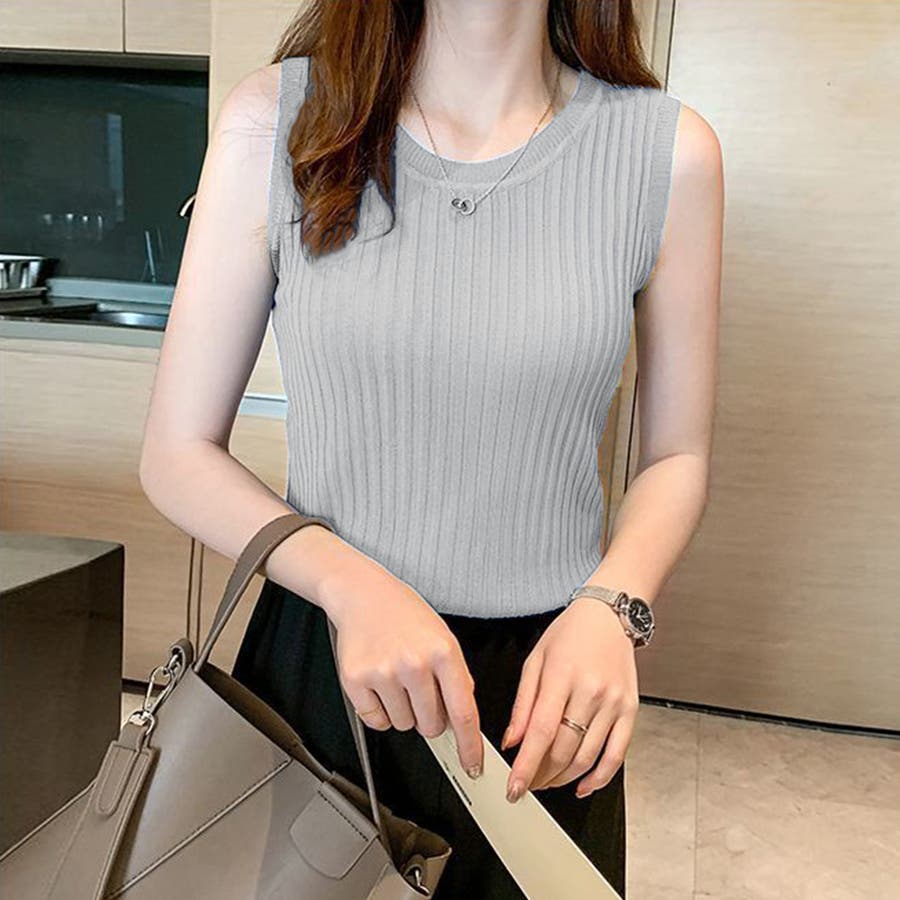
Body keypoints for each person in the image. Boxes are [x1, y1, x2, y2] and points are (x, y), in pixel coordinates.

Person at [139, 1, 723, 897]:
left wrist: (615, 608)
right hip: (326, 665)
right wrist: (352, 584)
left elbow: (676, 454)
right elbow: (176, 451)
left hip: (543, 694)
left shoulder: (667, 152)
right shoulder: (277, 120)